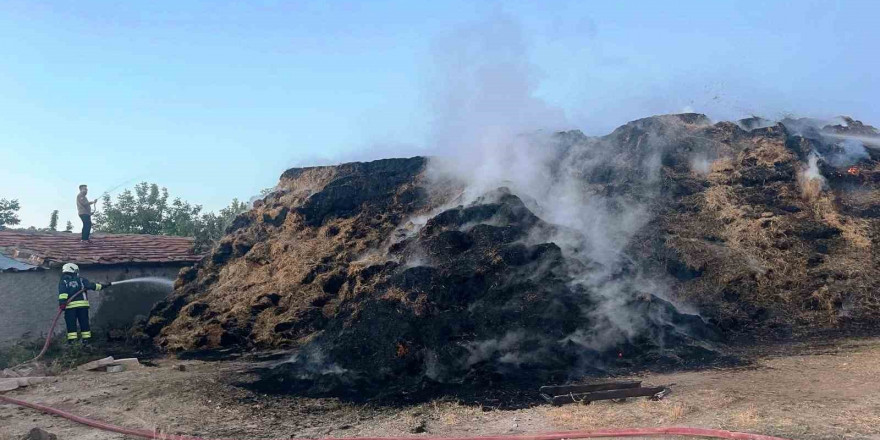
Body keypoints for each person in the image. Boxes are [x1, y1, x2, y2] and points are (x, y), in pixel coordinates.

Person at [58, 263, 112, 345]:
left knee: (71, 324)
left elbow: (63, 293)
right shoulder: (81, 280)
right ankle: (86, 341)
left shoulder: (63, 281)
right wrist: (103, 286)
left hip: (70, 307)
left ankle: (72, 342)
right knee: (84, 323)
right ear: (74, 270)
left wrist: (62, 303)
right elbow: (92, 286)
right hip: (83, 306)